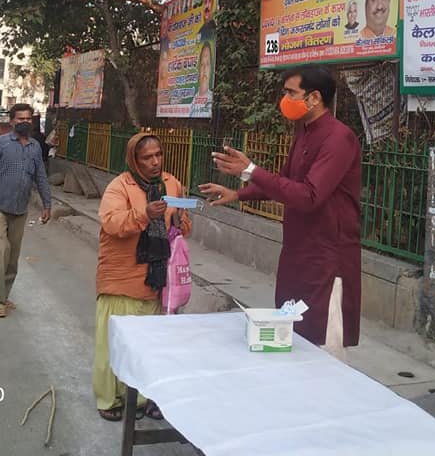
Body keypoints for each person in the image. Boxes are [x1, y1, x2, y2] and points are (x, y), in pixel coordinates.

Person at [200, 67, 362, 361]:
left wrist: (250, 170)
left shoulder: (339, 139)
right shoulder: (304, 132)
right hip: (297, 253)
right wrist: (238, 193)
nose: (284, 99)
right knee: (292, 335)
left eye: (291, 92)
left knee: (322, 347)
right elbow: (285, 183)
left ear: (314, 98)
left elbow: (309, 195)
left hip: (327, 257)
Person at [93, 133, 192, 422]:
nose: (155, 162)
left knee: (148, 345)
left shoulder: (172, 184)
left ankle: (142, 397)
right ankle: (109, 397)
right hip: (122, 277)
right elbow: (111, 223)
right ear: (134, 160)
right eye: (147, 157)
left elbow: (185, 228)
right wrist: (144, 214)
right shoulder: (119, 186)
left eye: (158, 155)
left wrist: (179, 220)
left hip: (157, 277)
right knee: (112, 342)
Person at [0, 103, 52, 318]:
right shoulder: (0, 144)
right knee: (0, 251)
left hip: (20, 209)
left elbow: (40, 177)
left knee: (13, 256)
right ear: (12, 121)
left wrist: (47, 204)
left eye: (28, 119)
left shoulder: (35, 147)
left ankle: (3, 293)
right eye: (20, 119)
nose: (24, 122)